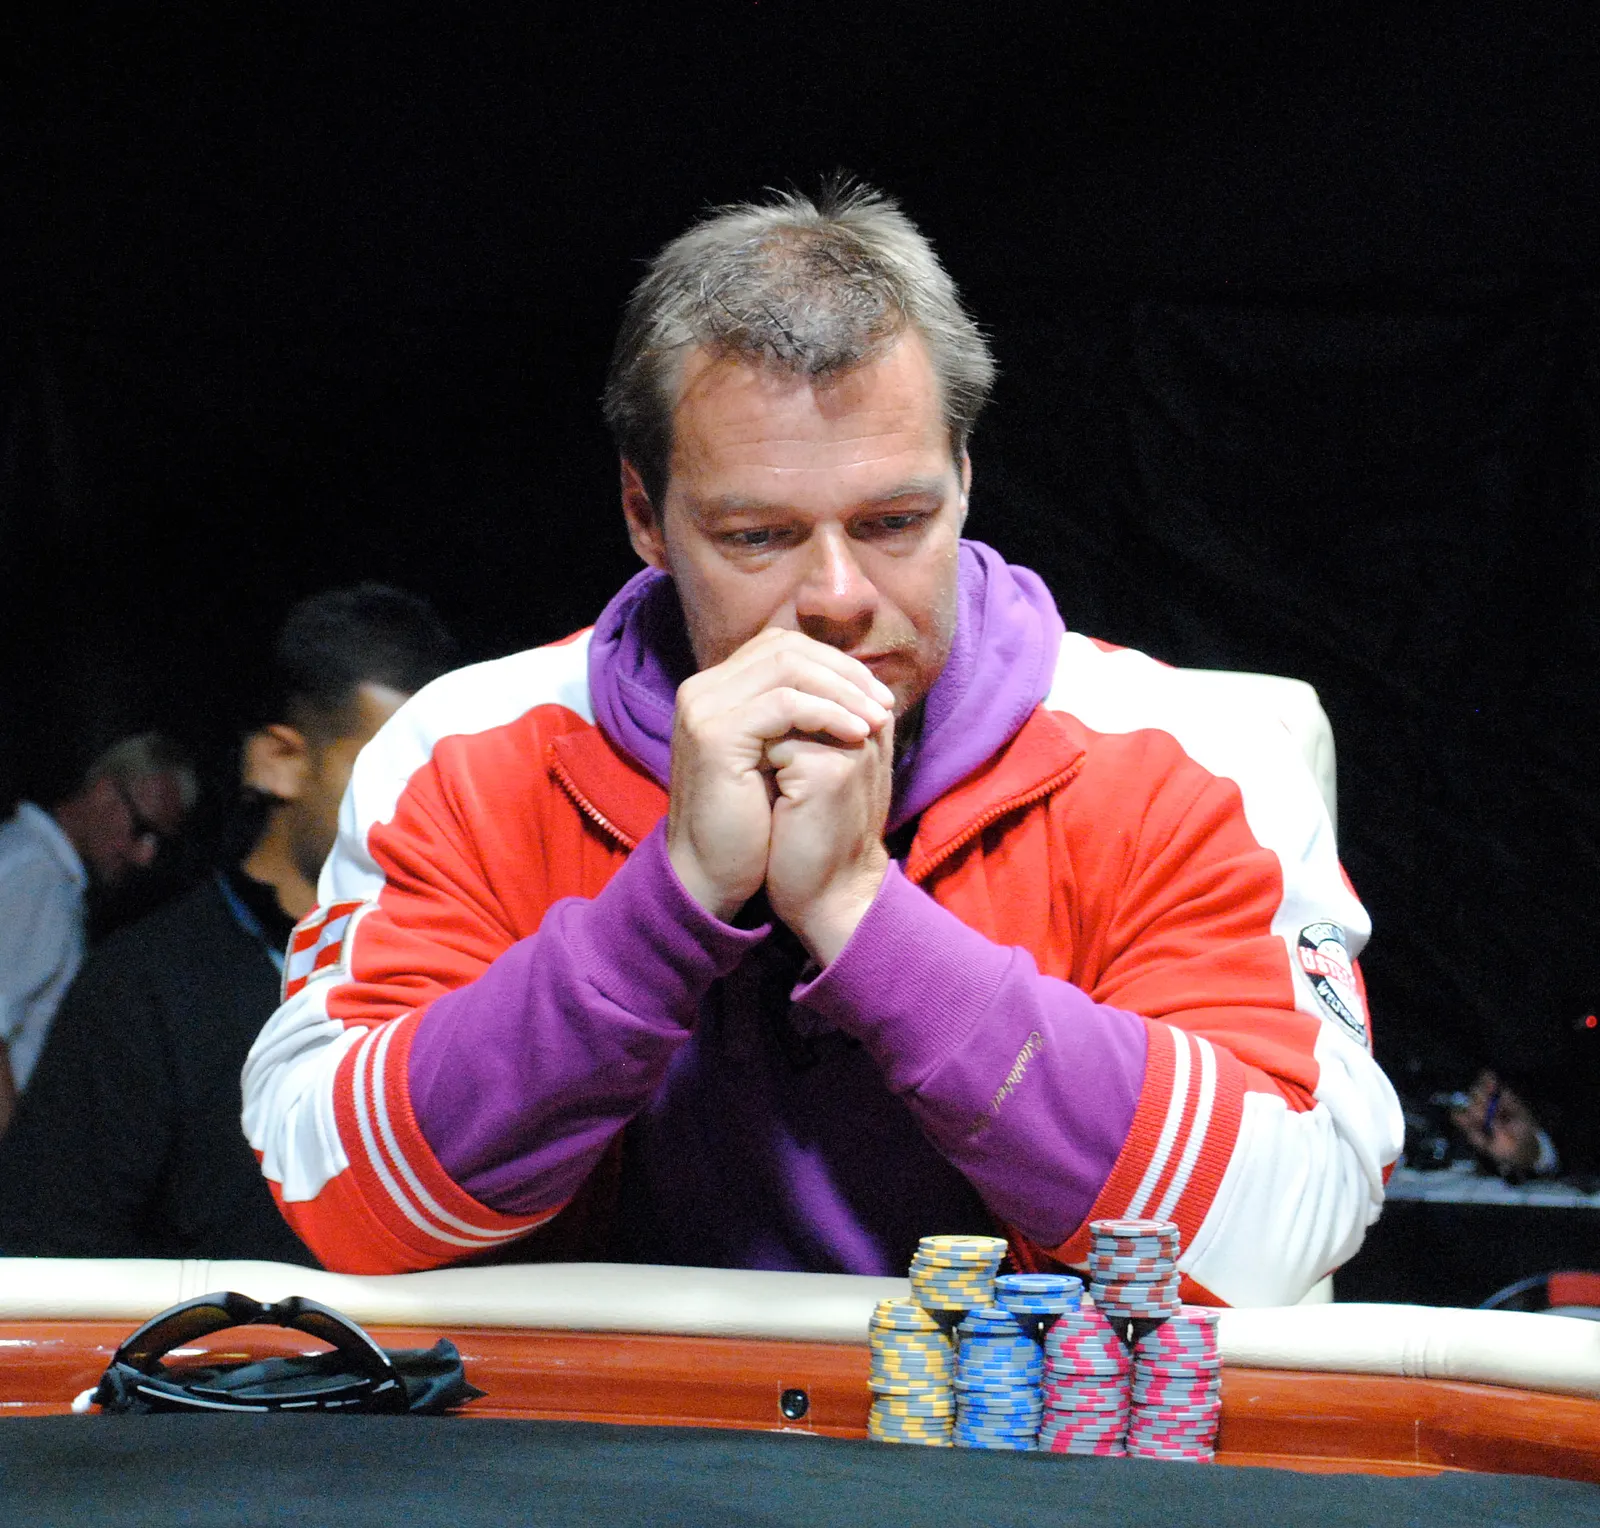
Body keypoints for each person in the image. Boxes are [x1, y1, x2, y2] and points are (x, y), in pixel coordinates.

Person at [244, 184, 1403, 1303]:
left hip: (1024, 1438)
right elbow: (334, 1190)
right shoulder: (465, 751)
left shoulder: (1186, 761)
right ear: (645, 515)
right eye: (758, 536)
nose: (839, 597)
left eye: (895, 521)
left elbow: (1276, 1231)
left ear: (963, 478)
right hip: (582, 1429)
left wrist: (860, 913)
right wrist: (670, 903)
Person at [0, 585, 458, 1259]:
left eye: (440, 777)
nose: (423, 806)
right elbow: (46, 1249)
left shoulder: (448, 980)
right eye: (391, 769)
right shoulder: (144, 988)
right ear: (280, 761)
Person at [0, 734, 195, 1138]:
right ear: (104, 791)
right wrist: (18, 1163)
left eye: (159, 843)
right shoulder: (39, 880)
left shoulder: (32, 862)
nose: (145, 856)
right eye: (141, 829)